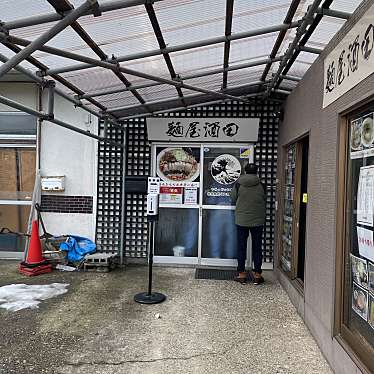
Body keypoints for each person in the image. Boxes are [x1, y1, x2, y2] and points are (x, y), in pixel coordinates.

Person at [230, 163, 266, 284]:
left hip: (241, 221)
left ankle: (241, 274)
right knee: (257, 247)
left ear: (245, 171)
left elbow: (233, 198)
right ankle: (257, 275)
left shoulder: (239, 184)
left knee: (241, 247)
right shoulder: (261, 184)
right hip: (258, 221)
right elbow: (264, 198)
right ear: (256, 171)